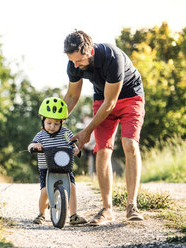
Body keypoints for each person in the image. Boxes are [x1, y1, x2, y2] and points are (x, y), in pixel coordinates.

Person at [63, 30, 145, 226]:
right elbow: (72, 97)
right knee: (102, 150)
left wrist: (86, 132)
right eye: (71, 61)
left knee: (129, 144)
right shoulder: (74, 64)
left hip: (130, 97)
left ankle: (131, 205)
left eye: (79, 60)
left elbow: (111, 103)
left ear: (90, 51)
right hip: (102, 99)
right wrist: (55, 120)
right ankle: (107, 209)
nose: (75, 65)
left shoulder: (112, 58)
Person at [28, 97, 87, 225]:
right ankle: (41, 214)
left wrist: (76, 149)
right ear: (43, 120)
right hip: (46, 168)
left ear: (62, 121)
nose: (52, 127)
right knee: (44, 191)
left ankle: (73, 215)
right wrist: (35, 146)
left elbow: (73, 145)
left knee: (71, 187)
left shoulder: (66, 133)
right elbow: (30, 146)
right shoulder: (40, 135)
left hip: (64, 167)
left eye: (56, 123)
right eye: (49, 123)